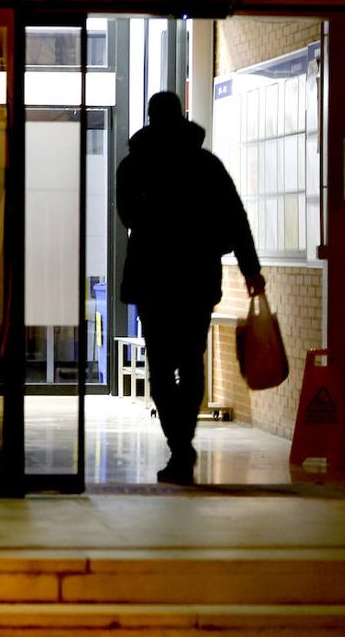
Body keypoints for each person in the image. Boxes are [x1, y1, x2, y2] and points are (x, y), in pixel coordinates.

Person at [116, 91, 265, 485]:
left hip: (153, 280)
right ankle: (184, 441)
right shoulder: (206, 165)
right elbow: (236, 217)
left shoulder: (133, 166)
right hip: (197, 279)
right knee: (191, 359)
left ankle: (179, 445)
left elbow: (127, 216)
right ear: (181, 116)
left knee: (161, 368)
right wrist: (250, 270)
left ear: (150, 119)